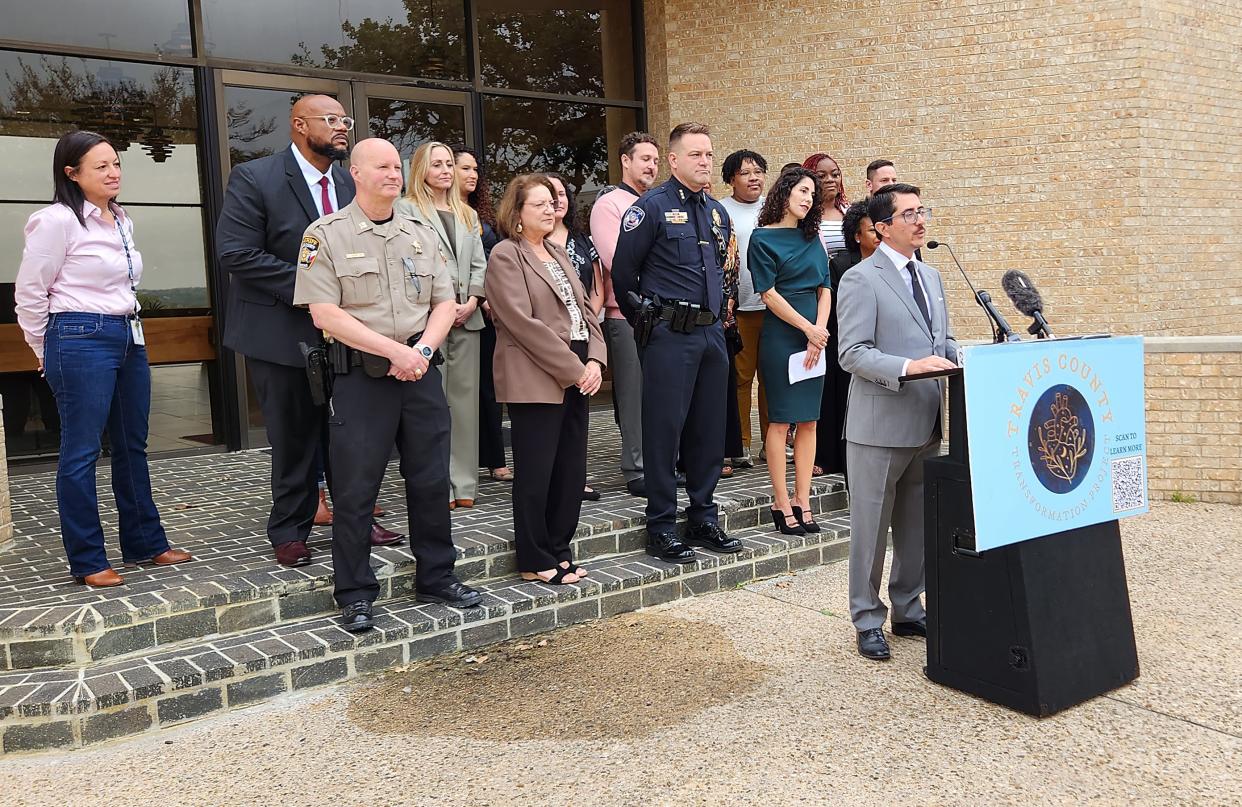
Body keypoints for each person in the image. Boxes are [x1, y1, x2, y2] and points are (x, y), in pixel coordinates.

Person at [293, 138, 483, 632]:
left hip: (419, 372)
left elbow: (445, 301)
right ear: (354, 172)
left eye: (396, 166)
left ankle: (437, 576)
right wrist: (394, 351)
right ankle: (355, 592)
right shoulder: (325, 234)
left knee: (429, 479)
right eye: (380, 166)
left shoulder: (420, 229)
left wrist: (419, 351)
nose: (393, 174)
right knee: (356, 489)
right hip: (361, 378)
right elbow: (324, 313)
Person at [217, 94, 401, 568]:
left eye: (347, 120)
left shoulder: (349, 181)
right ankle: (290, 529)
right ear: (300, 125)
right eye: (332, 120)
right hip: (280, 331)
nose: (343, 127)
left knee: (349, 432)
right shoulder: (255, 177)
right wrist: (314, 288)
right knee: (295, 436)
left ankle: (355, 518)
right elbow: (236, 253)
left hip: (346, 333)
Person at [15, 130, 193, 587]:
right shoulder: (55, 222)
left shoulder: (119, 219)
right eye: (101, 166)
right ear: (71, 173)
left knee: (132, 444)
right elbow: (30, 295)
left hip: (127, 335)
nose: (114, 173)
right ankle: (89, 558)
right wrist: (44, 349)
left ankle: (145, 542)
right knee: (82, 450)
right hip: (77, 336)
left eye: (116, 163)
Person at [836, 183, 958, 661]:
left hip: (926, 422)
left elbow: (941, 341)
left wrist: (973, 357)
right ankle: (867, 618)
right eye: (909, 213)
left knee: (915, 527)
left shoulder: (932, 277)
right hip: (878, 426)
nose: (920, 220)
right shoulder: (861, 279)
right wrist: (908, 368)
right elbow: (853, 353)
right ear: (882, 227)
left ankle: (909, 608)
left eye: (922, 210)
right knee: (871, 529)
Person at [612, 122, 744, 562]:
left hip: (711, 334)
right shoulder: (649, 208)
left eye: (708, 154)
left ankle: (703, 516)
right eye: (695, 155)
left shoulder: (716, 211)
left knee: (709, 431)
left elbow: (723, 273)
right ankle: (662, 525)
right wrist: (650, 327)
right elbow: (623, 276)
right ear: (673, 160)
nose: (705, 162)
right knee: (665, 431)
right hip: (670, 335)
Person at [485, 175, 608, 583]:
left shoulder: (557, 251)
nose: (550, 207)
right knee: (537, 472)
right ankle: (535, 559)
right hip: (536, 372)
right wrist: (575, 370)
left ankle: (559, 548)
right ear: (517, 214)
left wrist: (595, 360)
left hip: (577, 366)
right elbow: (522, 323)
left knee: (570, 470)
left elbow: (587, 311)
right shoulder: (506, 255)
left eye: (552, 201)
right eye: (538, 203)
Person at [395, 141, 487, 509]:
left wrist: (473, 300)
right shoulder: (406, 210)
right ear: (421, 170)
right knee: (433, 407)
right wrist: (444, 306)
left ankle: (464, 484)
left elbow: (480, 264)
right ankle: (439, 486)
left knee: (465, 406)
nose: (446, 171)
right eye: (437, 164)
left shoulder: (467, 213)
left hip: (467, 317)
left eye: (450, 164)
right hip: (428, 320)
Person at [748, 168, 831, 536]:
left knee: (810, 420)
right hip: (784, 337)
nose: (808, 198)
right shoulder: (761, 239)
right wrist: (807, 329)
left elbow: (825, 287)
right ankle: (781, 502)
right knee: (781, 421)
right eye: (802, 190)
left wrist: (820, 332)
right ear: (784, 193)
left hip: (816, 337)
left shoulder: (812, 237)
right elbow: (768, 294)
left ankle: (804, 500)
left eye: (812, 193)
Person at [589, 131, 660, 499]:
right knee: (633, 397)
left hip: (662, 315)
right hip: (627, 314)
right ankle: (637, 468)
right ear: (626, 161)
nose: (650, 166)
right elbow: (617, 260)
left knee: (658, 395)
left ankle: (659, 463)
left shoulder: (658, 203)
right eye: (644, 158)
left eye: (655, 160)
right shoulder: (610, 205)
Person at [453, 145, 511, 484]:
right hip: (456, 308)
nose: (472, 175)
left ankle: (494, 458)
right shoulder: (434, 213)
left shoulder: (483, 216)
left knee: (488, 388)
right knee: (458, 392)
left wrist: (488, 299)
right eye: (465, 168)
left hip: (488, 310)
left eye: (475, 169)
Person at [817, 201, 880, 483]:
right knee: (839, 399)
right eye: (872, 231)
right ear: (857, 236)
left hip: (880, 345)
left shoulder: (893, 264)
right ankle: (833, 458)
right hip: (844, 341)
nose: (879, 236)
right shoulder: (841, 264)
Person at [719, 149, 769, 466]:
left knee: (772, 379)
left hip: (774, 307)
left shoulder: (775, 208)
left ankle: (773, 442)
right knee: (740, 378)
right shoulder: (720, 211)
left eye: (758, 171)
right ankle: (741, 445)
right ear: (731, 179)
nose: (754, 178)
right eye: (746, 172)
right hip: (740, 309)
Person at [802, 152, 849, 257]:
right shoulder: (803, 215)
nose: (830, 180)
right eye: (821, 176)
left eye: (835, 175)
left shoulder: (849, 211)